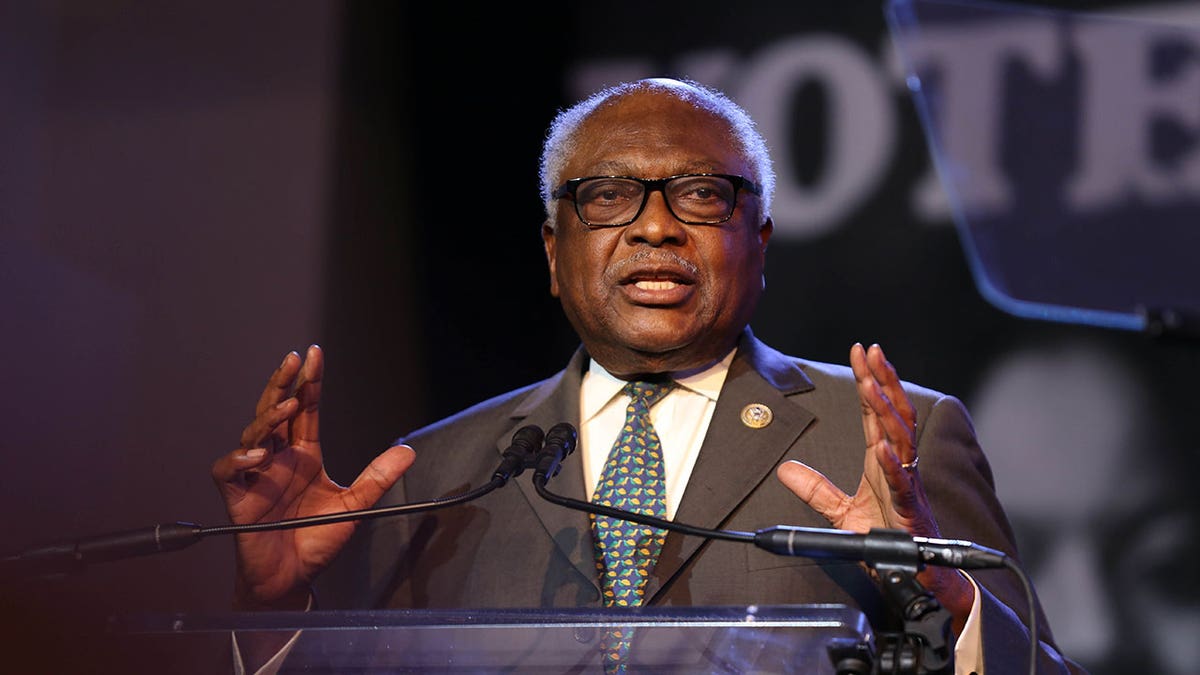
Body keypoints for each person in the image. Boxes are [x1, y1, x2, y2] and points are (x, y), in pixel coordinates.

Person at [212, 77, 1083, 673]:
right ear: (554, 253)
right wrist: (274, 611)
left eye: (701, 194)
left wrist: (944, 594)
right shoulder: (432, 473)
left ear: (759, 243)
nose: (655, 227)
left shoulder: (894, 441)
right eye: (607, 196)